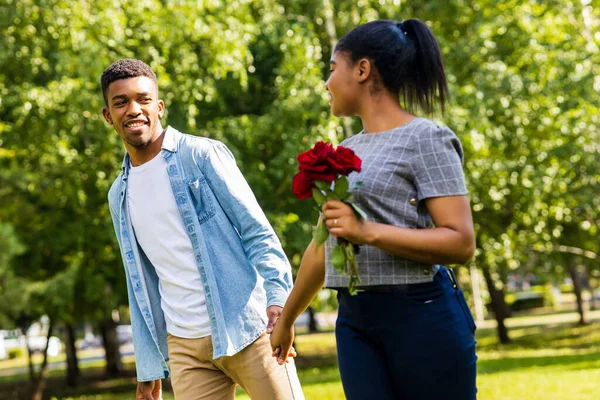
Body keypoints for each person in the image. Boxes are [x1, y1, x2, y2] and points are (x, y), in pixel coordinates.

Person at [270, 19, 477, 400]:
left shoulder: (426, 138)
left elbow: (461, 243)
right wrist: (287, 319)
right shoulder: (349, 149)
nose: (327, 82)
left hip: (421, 314)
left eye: (333, 69)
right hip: (356, 320)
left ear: (362, 70)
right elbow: (321, 247)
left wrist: (366, 232)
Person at [102, 58, 303, 400]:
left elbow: (256, 231)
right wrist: (149, 367)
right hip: (185, 348)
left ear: (159, 106)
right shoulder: (119, 193)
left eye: (143, 99)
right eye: (121, 102)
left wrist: (278, 301)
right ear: (108, 115)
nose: (133, 109)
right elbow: (140, 283)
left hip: (247, 328)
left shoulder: (201, 155)